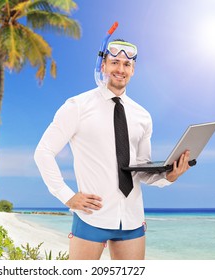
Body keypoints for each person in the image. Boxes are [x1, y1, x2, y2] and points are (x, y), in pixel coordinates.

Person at [34, 39, 191, 260]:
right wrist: (67, 196)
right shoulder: (77, 106)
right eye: (115, 62)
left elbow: (142, 169)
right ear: (103, 66)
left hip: (132, 218)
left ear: (133, 70)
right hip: (92, 217)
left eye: (127, 65)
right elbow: (43, 152)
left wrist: (170, 176)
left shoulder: (142, 116)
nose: (120, 69)